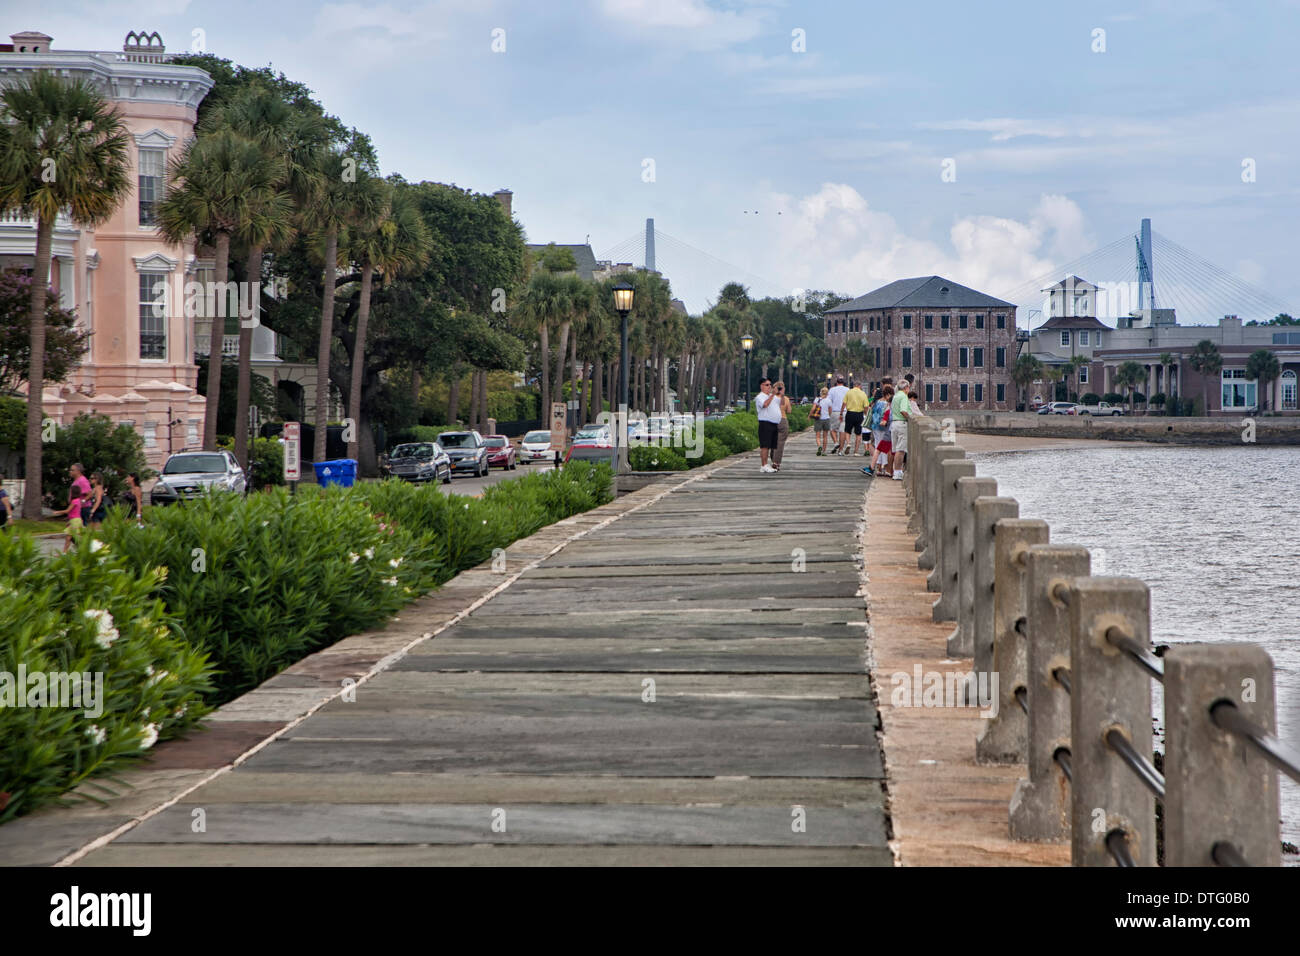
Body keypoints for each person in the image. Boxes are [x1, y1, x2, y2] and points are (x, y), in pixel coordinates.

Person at [55, 462, 91, 551]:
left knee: (76, 533)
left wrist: (82, 501)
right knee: (73, 533)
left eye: (72, 470)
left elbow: (89, 494)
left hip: (82, 509)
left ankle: (86, 549)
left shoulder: (82, 480)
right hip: (75, 510)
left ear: (78, 471)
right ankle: (82, 548)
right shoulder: (76, 481)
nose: (70, 471)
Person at [891, 381, 923, 480]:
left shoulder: (895, 396)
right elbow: (903, 410)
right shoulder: (904, 397)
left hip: (894, 423)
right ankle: (897, 472)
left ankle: (897, 471)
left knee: (897, 449)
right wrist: (910, 418)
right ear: (906, 388)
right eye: (909, 387)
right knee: (901, 450)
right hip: (902, 424)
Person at [754, 378, 781, 473]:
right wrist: (772, 394)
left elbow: (782, 402)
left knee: (770, 445)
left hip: (774, 423)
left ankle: (766, 464)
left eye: (770, 385)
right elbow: (765, 405)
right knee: (765, 445)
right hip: (765, 423)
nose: (769, 387)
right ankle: (764, 464)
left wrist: (780, 392)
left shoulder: (772, 396)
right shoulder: (760, 397)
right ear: (761, 386)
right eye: (767, 385)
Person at [869, 384, 894, 476]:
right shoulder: (887, 404)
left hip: (875, 426)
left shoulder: (876, 402)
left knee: (877, 446)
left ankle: (878, 467)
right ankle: (884, 466)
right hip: (884, 427)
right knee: (884, 448)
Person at [842, 379, 870, 457]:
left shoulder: (849, 392)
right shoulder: (863, 393)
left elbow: (844, 403)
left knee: (847, 430)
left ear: (854, 385)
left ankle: (848, 443)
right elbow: (866, 406)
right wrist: (865, 413)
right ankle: (856, 451)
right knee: (858, 433)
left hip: (850, 413)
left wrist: (841, 413)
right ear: (860, 386)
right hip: (859, 414)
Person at [771, 380, 792, 471]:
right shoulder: (785, 399)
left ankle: (773, 459)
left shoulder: (771, 398)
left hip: (772, 420)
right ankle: (776, 462)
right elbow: (789, 411)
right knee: (780, 443)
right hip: (782, 420)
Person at [826, 376, 849, 454]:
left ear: (837, 382)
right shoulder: (847, 390)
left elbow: (829, 401)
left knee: (832, 429)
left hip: (835, 411)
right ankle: (841, 450)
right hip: (845, 412)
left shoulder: (832, 390)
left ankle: (836, 442)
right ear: (843, 382)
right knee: (842, 431)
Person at [814, 386, 833, 455]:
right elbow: (830, 410)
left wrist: (810, 415)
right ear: (827, 393)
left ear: (820, 392)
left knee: (818, 436)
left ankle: (819, 446)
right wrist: (828, 415)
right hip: (826, 419)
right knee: (825, 436)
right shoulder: (829, 400)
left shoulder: (817, 399)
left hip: (818, 419)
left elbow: (813, 409)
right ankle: (824, 451)